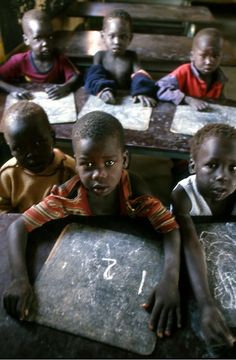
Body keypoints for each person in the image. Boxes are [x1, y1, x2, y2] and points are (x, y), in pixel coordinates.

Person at [3, 110, 181, 339]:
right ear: (75, 163)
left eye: (109, 162)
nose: (99, 175)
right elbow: (18, 226)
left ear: (124, 160)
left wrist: (170, 279)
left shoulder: (136, 191)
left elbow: (170, 228)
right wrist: (19, 278)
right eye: (87, 164)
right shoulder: (67, 196)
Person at [171, 123, 236, 347]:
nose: (223, 177)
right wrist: (206, 304)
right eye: (212, 165)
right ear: (193, 165)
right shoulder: (183, 195)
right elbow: (189, 241)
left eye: (233, 168)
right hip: (190, 262)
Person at [0, 101, 76, 213]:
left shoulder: (69, 171)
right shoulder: (8, 174)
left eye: (38, 143)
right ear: (10, 148)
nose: (32, 154)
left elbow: (76, 206)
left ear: (52, 137)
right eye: (19, 148)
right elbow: (3, 208)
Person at [0, 9, 79, 100]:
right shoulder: (19, 61)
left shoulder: (58, 58)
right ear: (26, 40)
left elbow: (74, 76)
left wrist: (64, 87)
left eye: (49, 37)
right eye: (38, 38)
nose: (45, 43)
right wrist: (13, 90)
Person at [84, 9, 157, 107]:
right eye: (112, 36)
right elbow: (94, 77)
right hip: (104, 101)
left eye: (123, 37)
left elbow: (140, 76)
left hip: (128, 102)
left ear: (130, 38)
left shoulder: (131, 57)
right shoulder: (100, 56)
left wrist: (142, 91)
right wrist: (102, 90)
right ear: (103, 36)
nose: (117, 41)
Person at [156, 28, 226, 111]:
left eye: (215, 56)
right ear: (192, 56)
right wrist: (188, 99)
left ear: (221, 57)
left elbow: (219, 100)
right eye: (203, 56)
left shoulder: (220, 77)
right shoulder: (184, 72)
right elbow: (159, 89)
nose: (208, 62)